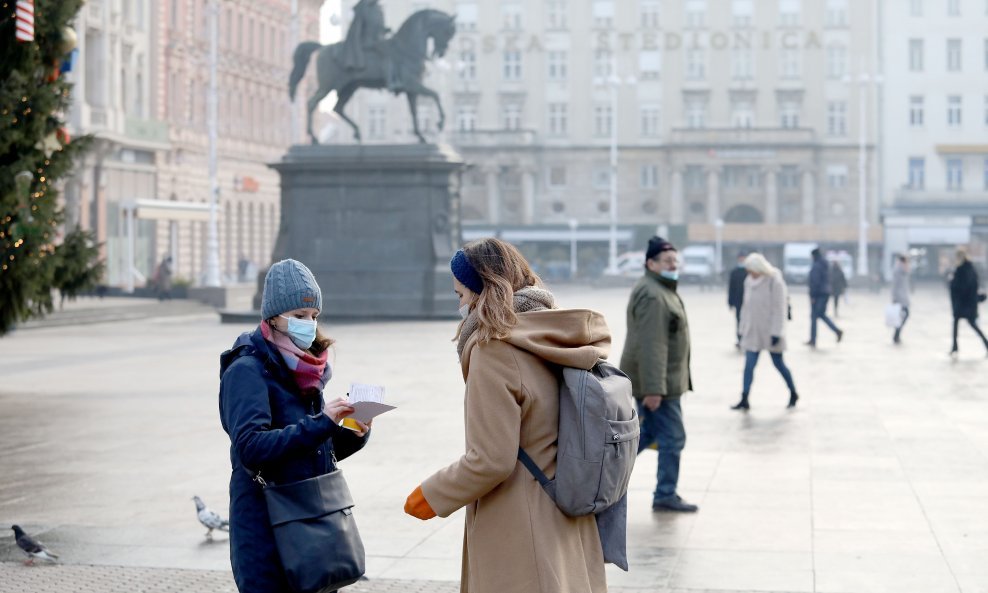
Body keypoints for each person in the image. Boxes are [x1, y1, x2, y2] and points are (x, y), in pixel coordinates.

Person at [403, 238, 611, 593]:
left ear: (482, 291)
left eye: (461, 295)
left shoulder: (493, 350)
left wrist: (431, 495)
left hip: (520, 524)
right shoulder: (556, 334)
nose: (461, 305)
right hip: (568, 509)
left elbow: (491, 459)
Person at [219, 259, 371, 593]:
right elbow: (250, 448)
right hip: (266, 527)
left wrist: (353, 432)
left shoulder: (306, 369)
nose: (310, 325)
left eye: (314, 316)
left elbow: (311, 449)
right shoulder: (247, 369)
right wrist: (322, 422)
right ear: (273, 315)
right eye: (300, 316)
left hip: (312, 522)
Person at [619, 236, 697, 513]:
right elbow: (652, 345)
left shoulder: (661, 289)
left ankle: (605, 478)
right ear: (650, 263)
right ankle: (665, 493)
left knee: (647, 432)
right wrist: (654, 389)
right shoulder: (654, 295)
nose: (673, 265)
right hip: (659, 384)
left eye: (675, 260)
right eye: (667, 261)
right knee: (672, 438)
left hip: (662, 381)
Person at [730, 253, 799, 411]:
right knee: (749, 366)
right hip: (752, 331)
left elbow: (779, 308)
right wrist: (742, 329)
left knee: (779, 364)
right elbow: (746, 308)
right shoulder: (748, 281)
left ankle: (793, 392)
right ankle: (745, 398)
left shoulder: (774, 280)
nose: (749, 273)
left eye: (751, 270)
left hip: (770, 331)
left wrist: (777, 332)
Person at [948, 248, 988, 358]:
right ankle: (955, 347)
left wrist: (952, 281)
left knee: (972, 325)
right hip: (967, 304)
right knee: (961, 324)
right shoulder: (969, 268)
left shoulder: (962, 270)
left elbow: (962, 287)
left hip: (964, 304)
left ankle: (955, 347)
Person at [807, 247, 843, 347]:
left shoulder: (817, 265)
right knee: (819, 315)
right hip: (825, 293)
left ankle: (814, 339)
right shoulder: (825, 264)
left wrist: (812, 295)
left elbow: (815, 281)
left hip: (818, 294)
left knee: (816, 316)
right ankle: (814, 339)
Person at [727, 251, 748, 350]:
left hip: (748, 302)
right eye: (740, 258)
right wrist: (730, 302)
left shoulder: (749, 271)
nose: (741, 260)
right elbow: (731, 288)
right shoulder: (734, 272)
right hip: (738, 302)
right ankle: (740, 340)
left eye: (743, 258)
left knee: (748, 321)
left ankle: (747, 339)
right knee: (739, 321)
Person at [891, 255, 911, 344]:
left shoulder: (900, 269)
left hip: (902, 297)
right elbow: (895, 285)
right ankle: (896, 335)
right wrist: (894, 298)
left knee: (901, 316)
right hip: (900, 298)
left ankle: (896, 335)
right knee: (904, 315)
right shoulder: (899, 270)